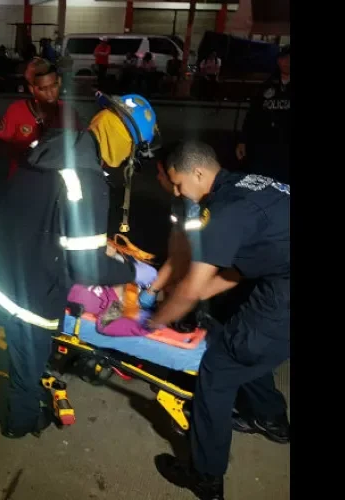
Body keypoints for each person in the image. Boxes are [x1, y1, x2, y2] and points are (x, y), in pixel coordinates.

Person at [0, 94, 161, 438]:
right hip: (31, 290)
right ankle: (20, 424)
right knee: (27, 364)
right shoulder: (89, 181)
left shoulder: (52, 145)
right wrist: (132, 271)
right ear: (126, 143)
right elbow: (87, 268)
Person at [147, 141, 290, 500]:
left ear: (198, 172)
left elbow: (191, 288)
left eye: (179, 184)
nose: (178, 192)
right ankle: (271, 420)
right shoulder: (250, 183)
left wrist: (152, 321)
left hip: (285, 296)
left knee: (218, 370)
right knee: (247, 348)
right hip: (281, 278)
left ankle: (205, 476)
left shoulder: (226, 211)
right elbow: (245, 266)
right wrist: (199, 293)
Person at [0, 58, 83, 178]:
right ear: (32, 89)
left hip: (57, 181)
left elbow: (80, 147)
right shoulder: (16, 111)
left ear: (60, 82)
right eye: (43, 89)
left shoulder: (68, 113)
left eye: (54, 86)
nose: (50, 93)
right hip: (22, 178)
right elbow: (1, 146)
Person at [235, 45, 290, 184]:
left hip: (287, 148)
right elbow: (252, 115)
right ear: (278, 61)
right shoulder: (267, 86)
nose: (287, 62)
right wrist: (243, 141)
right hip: (264, 147)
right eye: (284, 58)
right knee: (259, 184)